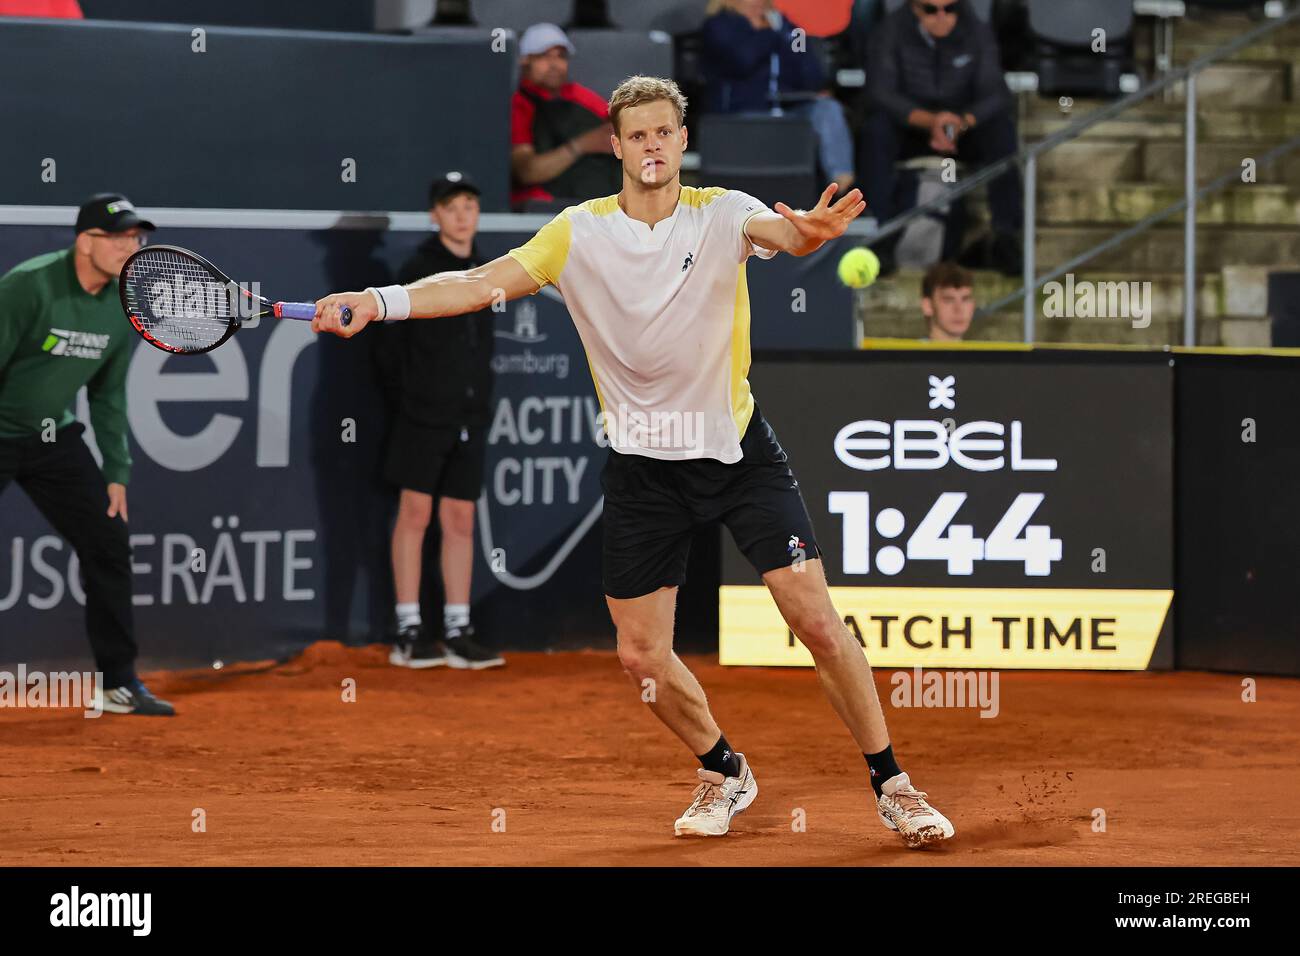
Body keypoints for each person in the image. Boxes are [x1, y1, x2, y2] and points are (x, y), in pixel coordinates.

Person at [313, 75, 953, 848]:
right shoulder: (577, 232)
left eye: (664, 132)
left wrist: (808, 234)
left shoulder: (725, 213)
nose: (652, 145)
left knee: (816, 619)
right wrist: (380, 301)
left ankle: (895, 784)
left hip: (737, 454)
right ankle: (723, 768)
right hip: (643, 470)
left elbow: (783, 235)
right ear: (615, 146)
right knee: (641, 656)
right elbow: (482, 283)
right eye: (637, 135)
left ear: (683, 141)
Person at [0, 193, 173, 716]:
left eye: (135, 237)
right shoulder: (28, 286)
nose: (130, 247)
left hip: (54, 440)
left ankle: (117, 683)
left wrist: (116, 470)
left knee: (108, 541)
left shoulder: (124, 303)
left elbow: (108, 394)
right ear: (84, 241)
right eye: (117, 237)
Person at [380, 173, 503, 670]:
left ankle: (458, 627)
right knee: (414, 515)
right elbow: (390, 357)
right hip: (421, 418)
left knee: (460, 519)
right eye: (450, 206)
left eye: (470, 204)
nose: (461, 214)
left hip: (470, 418)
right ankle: (409, 629)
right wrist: (415, 402)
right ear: (435, 214)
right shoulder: (417, 270)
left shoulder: (492, 270)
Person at [861, 0, 1022, 276]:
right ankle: (879, 234)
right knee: (876, 130)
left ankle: (1005, 237)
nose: (943, 17)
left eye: (951, 9)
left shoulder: (976, 30)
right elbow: (880, 92)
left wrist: (963, 122)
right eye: (931, 10)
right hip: (911, 128)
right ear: (914, 8)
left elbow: (996, 93)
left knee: (1001, 130)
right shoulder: (890, 31)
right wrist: (930, 121)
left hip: (961, 129)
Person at [700, 0, 855, 195]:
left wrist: (788, 37)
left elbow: (812, 72)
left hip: (789, 106)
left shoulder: (788, 27)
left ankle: (842, 184)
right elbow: (742, 60)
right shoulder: (720, 25)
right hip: (741, 109)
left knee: (827, 109)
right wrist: (770, 34)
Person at [510, 22, 621, 210]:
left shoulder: (576, 94)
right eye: (543, 56)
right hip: (543, 206)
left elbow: (619, 121)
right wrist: (582, 145)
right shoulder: (519, 103)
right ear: (524, 60)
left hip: (593, 201)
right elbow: (527, 172)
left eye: (561, 56)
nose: (554, 65)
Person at [922, 261, 975, 341]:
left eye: (965, 299)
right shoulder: (907, 353)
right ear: (927, 306)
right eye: (948, 300)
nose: (959, 309)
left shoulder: (986, 352)